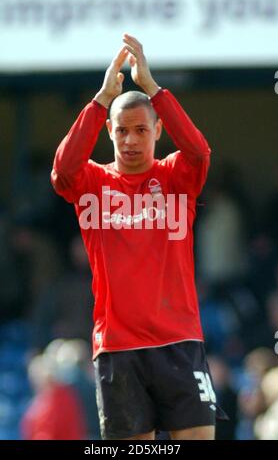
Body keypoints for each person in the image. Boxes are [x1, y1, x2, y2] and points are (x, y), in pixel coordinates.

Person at [51, 33, 226, 440]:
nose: (130, 140)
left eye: (141, 130)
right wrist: (100, 101)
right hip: (118, 347)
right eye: (121, 131)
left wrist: (152, 87)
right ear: (109, 132)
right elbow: (62, 170)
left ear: (158, 130)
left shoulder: (176, 178)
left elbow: (199, 152)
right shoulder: (92, 181)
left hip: (179, 341)